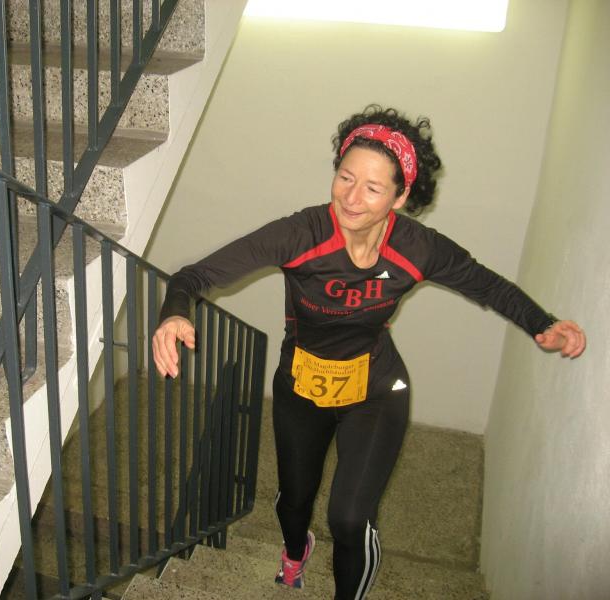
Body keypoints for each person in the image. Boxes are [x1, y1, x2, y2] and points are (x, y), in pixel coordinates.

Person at [151, 105, 586, 600]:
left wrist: (543, 324)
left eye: (373, 188)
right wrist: (174, 313)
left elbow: (488, 285)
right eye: (345, 177)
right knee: (293, 502)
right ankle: (295, 552)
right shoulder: (300, 234)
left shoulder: (418, 248)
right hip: (300, 386)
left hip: (376, 388)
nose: (352, 198)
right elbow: (195, 276)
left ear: (400, 196)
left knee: (351, 517)